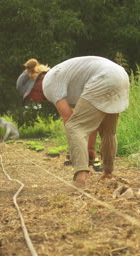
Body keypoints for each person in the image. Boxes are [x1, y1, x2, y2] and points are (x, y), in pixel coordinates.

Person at [16, 56, 129, 187]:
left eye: (31, 97)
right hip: (120, 75)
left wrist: (86, 152)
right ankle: (108, 173)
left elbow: (69, 119)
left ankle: (81, 177)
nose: (35, 101)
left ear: (34, 86)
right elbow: (90, 123)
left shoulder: (48, 83)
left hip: (103, 78)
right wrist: (90, 149)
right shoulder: (60, 74)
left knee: (73, 126)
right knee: (108, 130)